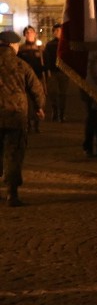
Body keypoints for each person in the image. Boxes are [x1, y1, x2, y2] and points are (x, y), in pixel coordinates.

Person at [0, 31, 46, 206]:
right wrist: (39, 107)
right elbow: (36, 87)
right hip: (16, 115)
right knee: (13, 154)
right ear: (12, 45)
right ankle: (12, 193)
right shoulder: (21, 65)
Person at [17, 26, 45, 133]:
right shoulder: (21, 49)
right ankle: (27, 123)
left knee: (37, 100)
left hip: (37, 77)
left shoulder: (40, 48)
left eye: (32, 32)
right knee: (27, 101)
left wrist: (44, 67)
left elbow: (45, 61)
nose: (30, 34)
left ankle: (36, 124)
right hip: (25, 79)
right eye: (27, 33)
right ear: (24, 35)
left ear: (35, 34)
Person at [43, 23, 69, 123]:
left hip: (63, 72)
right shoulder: (50, 45)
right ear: (53, 32)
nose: (58, 32)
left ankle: (61, 113)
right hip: (53, 71)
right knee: (53, 92)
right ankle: (54, 110)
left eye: (60, 30)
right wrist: (48, 69)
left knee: (63, 94)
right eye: (56, 31)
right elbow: (47, 58)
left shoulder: (66, 43)